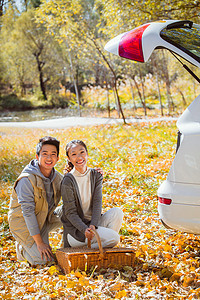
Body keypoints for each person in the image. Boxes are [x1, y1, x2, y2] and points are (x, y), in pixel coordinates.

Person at [8, 136, 63, 265]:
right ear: (37, 157)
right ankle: (22, 249)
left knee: (69, 212)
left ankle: (68, 246)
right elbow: (28, 213)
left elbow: (74, 191)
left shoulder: (58, 178)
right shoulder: (26, 180)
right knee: (45, 262)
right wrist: (40, 243)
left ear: (57, 158)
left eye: (53, 154)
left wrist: (93, 175)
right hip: (24, 224)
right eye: (45, 154)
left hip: (44, 219)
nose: (49, 158)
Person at [61, 139, 124, 249]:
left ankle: (98, 248)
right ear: (69, 159)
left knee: (117, 212)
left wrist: (93, 226)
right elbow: (70, 212)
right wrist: (84, 229)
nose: (79, 157)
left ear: (87, 154)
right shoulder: (68, 180)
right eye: (74, 154)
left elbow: (97, 203)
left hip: (93, 225)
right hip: (77, 233)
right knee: (114, 238)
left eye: (82, 152)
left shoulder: (96, 175)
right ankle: (89, 249)